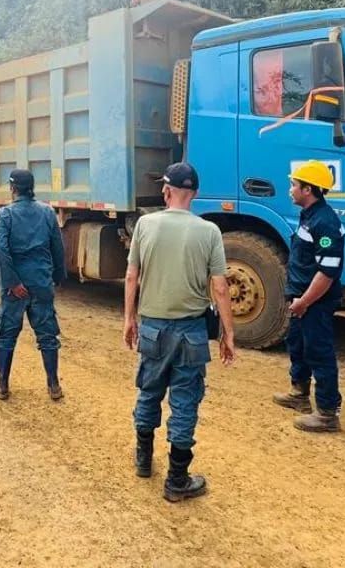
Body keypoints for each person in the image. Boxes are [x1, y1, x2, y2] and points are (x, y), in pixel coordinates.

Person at [123, 162, 235, 503]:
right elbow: (220, 287)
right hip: (191, 330)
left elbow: (131, 277)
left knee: (148, 391)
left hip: (153, 327)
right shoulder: (209, 231)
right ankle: (177, 480)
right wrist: (228, 333)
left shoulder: (145, 224)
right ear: (195, 195)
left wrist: (129, 319)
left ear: (166, 191)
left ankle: (144, 460)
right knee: (185, 402)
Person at [272, 160, 345, 433]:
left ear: (308, 189)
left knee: (319, 352)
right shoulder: (310, 215)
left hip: (314, 302)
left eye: (294, 185)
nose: (290, 189)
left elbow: (327, 273)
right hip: (301, 300)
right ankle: (299, 394)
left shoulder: (325, 223)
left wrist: (304, 302)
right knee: (298, 346)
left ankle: (327, 414)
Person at [0, 168, 67, 401]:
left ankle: (2, 385)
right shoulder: (47, 212)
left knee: (6, 334)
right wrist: (57, 277)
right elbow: (58, 247)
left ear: (12, 188)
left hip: (16, 287)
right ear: (32, 187)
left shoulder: (5, 215)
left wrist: (12, 282)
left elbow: (1, 251)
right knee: (47, 336)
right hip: (41, 282)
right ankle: (54, 386)